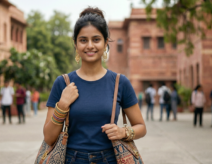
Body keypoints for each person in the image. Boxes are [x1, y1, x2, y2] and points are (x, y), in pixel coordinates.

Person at [43, 7, 146, 164]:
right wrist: (63, 105)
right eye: (83, 40)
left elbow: (141, 127)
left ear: (105, 43)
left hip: (110, 159)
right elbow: (49, 138)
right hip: (71, 159)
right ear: (76, 44)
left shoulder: (120, 82)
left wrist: (122, 131)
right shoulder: (63, 83)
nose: (90, 45)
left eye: (96, 39)